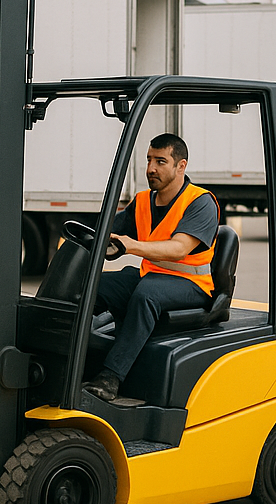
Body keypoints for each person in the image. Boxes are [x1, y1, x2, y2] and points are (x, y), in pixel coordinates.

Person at [84, 133, 219, 402]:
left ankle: (111, 377)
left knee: (146, 295)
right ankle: (72, 356)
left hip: (192, 284)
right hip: (151, 276)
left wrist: (131, 246)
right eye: (149, 160)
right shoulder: (143, 201)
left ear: (181, 166)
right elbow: (109, 231)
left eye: (160, 161)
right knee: (97, 285)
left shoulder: (200, 202)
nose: (151, 168)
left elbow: (179, 248)